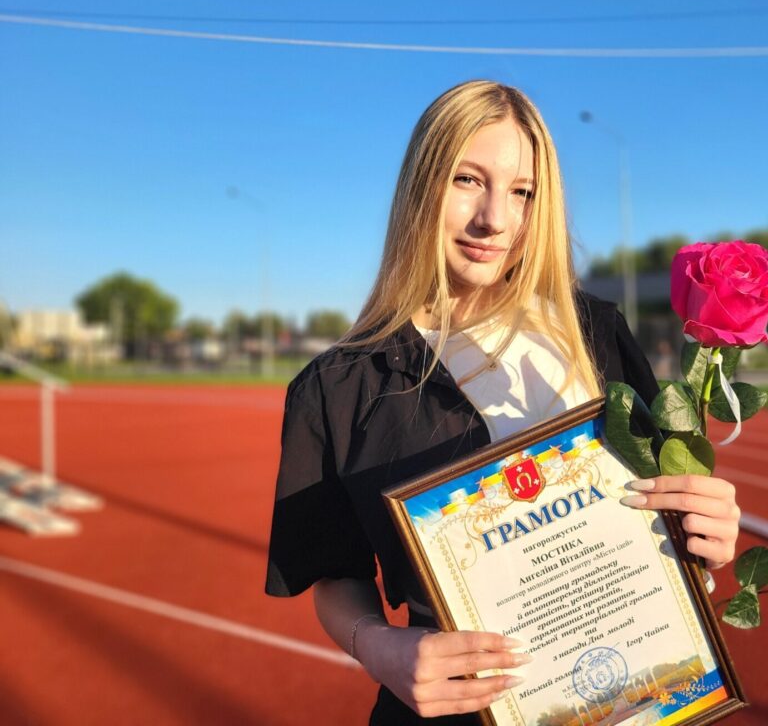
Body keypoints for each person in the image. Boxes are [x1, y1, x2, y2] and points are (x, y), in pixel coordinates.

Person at [265, 81, 741, 724]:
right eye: (467, 180)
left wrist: (705, 526)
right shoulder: (337, 386)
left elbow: (667, 503)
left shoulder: (595, 333)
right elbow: (334, 574)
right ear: (420, 186)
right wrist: (377, 648)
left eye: (523, 192)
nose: (495, 219)